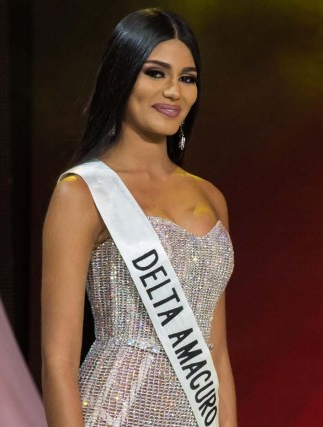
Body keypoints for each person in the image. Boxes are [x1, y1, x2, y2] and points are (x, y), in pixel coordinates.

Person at [41, 8, 237, 427]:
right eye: (156, 73)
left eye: (187, 78)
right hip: (115, 414)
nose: (173, 91)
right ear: (122, 77)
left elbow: (216, 352)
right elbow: (58, 361)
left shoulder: (211, 198)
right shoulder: (82, 192)